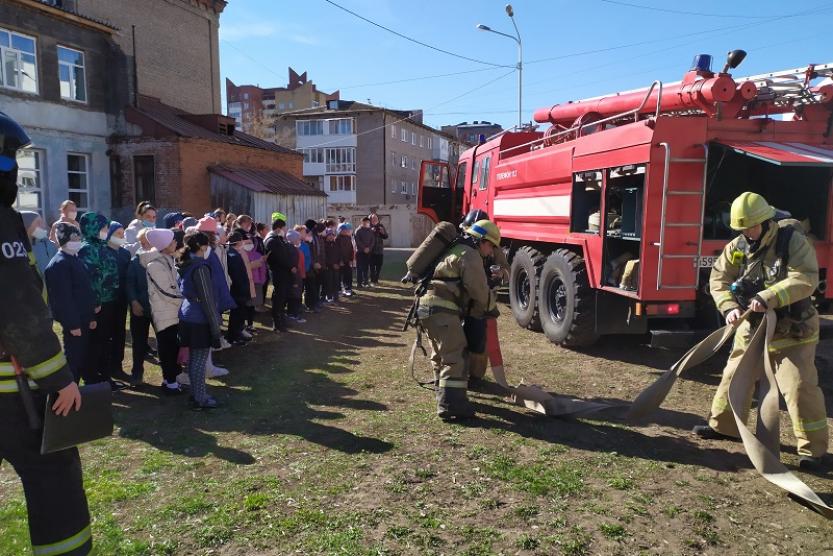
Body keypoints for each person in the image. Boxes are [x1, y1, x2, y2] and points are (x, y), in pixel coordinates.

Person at [0, 110, 92, 555]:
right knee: (54, 476)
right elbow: (20, 311)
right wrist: (59, 379)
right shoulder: (2, 223)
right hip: (13, 392)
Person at [693, 192, 828, 471]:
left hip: (793, 330)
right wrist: (728, 306)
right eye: (742, 229)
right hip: (752, 328)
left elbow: (805, 278)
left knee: (799, 387)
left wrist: (770, 296)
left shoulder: (792, 241)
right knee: (734, 377)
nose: (747, 234)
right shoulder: (739, 245)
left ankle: (813, 452)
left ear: (767, 222)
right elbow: (719, 277)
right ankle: (725, 426)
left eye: (751, 228)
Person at [415, 219, 498, 420]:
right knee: (455, 355)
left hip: (425, 308)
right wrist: (491, 306)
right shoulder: (470, 254)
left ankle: (442, 395)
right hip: (442, 309)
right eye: (491, 246)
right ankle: (452, 405)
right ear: (483, 241)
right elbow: (478, 289)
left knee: (439, 355)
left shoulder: (453, 248)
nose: (492, 252)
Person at [44, 223, 97, 383]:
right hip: (74, 323)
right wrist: (73, 324)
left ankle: (86, 390)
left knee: (84, 357)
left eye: (79, 236)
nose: (79, 240)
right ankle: (68, 393)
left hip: (84, 319)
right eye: (75, 237)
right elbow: (62, 299)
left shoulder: (75, 259)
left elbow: (85, 290)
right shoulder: (59, 264)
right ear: (64, 240)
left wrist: (91, 316)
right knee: (73, 359)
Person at [177, 232, 223, 410]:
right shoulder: (200, 268)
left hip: (187, 315)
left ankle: (196, 394)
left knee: (195, 359)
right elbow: (207, 299)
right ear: (203, 247)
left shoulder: (185, 263)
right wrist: (215, 326)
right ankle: (199, 398)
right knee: (199, 359)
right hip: (199, 318)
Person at [78, 212, 121, 388]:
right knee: (95, 343)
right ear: (92, 228)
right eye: (103, 227)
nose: (106, 230)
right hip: (97, 305)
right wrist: (94, 305)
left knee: (104, 341)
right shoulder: (86, 249)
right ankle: (92, 378)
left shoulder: (102, 246)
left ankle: (104, 377)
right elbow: (89, 280)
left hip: (109, 301)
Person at [143, 229, 185, 395]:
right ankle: (170, 382)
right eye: (173, 241)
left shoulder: (168, 259)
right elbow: (166, 291)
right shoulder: (155, 265)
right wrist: (184, 300)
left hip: (172, 311)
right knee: (167, 348)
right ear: (165, 245)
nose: (176, 243)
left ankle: (172, 378)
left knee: (173, 347)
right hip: (164, 312)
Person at [107, 222, 132, 384]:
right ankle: (105, 369)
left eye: (123, 234)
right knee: (106, 336)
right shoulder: (102, 252)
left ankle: (117, 366)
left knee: (119, 334)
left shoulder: (125, 253)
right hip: (107, 301)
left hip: (121, 300)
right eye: (118, 234)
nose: (122, 237)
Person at [126, 228, 152, 384]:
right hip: (140, 307)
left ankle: (171, 374)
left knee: (165, 341)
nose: (143, 246)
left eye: (146, 242)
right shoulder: (135, 261)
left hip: (158, 308)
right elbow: (129, 283)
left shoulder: (163, 258)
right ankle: (137, 372)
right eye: (141, 243)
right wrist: (134, 302)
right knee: (139, 341)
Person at [264, 214, 293, 332]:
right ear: (278, 228)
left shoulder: (279, 239)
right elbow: (278, 258)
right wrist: (289, 266)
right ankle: (277, 322)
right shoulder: (271, 240)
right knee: (279, 298)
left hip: (284, 273)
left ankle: (281, 319)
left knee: (282, 297)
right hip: (278, 273)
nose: (285, 231)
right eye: (284, 228)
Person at [225, 230, 254, 345]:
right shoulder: (234, 255)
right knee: (236, 315)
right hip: (239, 291)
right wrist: (244, 289)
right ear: (239, 242)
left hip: (238, 290)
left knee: (238, 314)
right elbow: (237, 276)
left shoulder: (232, 253)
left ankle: (235, 334)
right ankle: (234, 336)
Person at [21, 211, 58, 278]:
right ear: (26, 225)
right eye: (38, 223)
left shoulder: (49, 245)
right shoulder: (16, 249)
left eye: (42, 222)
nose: (43, 226)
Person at [286, 229, 306, 323]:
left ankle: (295, 313)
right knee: (295, 296)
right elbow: (293, 266)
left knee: (297, 295)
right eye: (298, 238)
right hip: (295, 277)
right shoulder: (291, 250)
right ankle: (293, 314)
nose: (300, 240)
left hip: (298, 276)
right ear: (293, 239)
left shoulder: (294, 249)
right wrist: (294, 281)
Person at [304, 219, 324, 312]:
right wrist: (313, 263)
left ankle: (315, 301)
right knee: (310, 286)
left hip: (317, 264)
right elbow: (309, 252)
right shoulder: (307, 236)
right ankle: (310, 305)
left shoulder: (315, 236)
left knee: (316, 284)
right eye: (314, 226)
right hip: (309, 265)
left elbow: (317, 251)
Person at [354, 216, 375, 288]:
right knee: (359, 268)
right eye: (365, 222)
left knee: (366, 268)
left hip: (368, 252)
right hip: (360, 252)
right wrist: (364, 248)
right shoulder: (358, 230)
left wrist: (369, 248)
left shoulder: (370, 231)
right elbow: (357, 241)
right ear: (362, 222)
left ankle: (365, 282)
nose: (367, 224)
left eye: (368, 222)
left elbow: (373, 240)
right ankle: (359, 283)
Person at [336, 222, 355, 296]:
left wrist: (351, 259)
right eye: (343, 230)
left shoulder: (348, 238)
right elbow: (337, 250)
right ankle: (339, 290)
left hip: (347, 260)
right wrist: (340, 260)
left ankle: (348, 289)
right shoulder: (337, 239)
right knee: (340, 276)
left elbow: (351, 249)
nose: (345, 231)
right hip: (341, 261)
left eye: (346, 230)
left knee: (348, 275)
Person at [369, 213, 388, 286]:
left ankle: (376, 279)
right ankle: (372, 280)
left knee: (379, 265)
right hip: (371, 250)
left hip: (379, 249)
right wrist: (371, 231)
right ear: (370, 219)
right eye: (373, 219)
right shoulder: (368, 226)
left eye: (376, 218)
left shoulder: (381, 226)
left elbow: (386, 236)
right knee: (372, 266)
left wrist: (382, 232)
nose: (374, 220)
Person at [323, 226, 340, 303]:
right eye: (329, 235)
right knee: (329, 281)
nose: (331, 237)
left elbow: (339, 254)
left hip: (336, 266)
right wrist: (332, 264)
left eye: (332, 235)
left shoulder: (336, 244)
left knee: (336, 281)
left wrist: (339, 262)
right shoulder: (324, 245)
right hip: (328, 267)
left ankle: (335, 296)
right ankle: (329, 296)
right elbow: (325, 257)